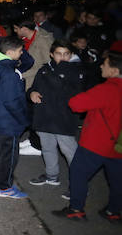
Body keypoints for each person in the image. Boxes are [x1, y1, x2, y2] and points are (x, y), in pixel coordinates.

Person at [53, 52, 122, 221]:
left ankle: (76, 208)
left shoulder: (107, 89)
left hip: (97, 143)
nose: (100, 66)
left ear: (113, 71)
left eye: (104, 64)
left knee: (78, 173)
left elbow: (76, 104)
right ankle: (114, 211)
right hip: (119, 145)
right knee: (117, 180)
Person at [27, 39, 83, 189]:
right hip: (44, 117)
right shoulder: (44, 69)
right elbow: (33, 88)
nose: (63, 57)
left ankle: (79, 186)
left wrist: (62, 68)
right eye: (59, 54)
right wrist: (32, 93)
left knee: (70, 152)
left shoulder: (76, 71)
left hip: (63, 119)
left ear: (71, 55)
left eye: (66, 54)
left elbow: (71, 92)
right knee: (47, 148)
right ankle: (52, 176)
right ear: (52, 54)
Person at [0, 36, 30, 198]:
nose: (22, 53)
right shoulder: (8, 72)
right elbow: (12, 101)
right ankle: (4, 187)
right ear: (10, 53)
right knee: (8, 155)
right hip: (8, 121)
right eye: (20, 51)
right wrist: (23, 119)